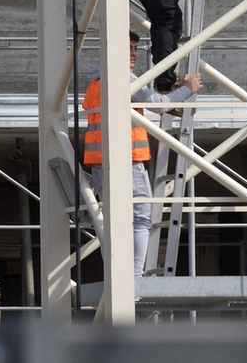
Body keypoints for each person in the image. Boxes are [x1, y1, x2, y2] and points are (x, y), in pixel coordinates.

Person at [82, 30, 203, 277]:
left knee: (112, 223)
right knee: (141, 218)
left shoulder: (96, 82)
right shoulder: (121, 78)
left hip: (101, 164)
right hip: (127, 160)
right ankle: (134, 278)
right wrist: (187, 89)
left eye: (136, 48)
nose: (135, 53)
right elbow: (159, 105)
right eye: (129, 48)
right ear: (113, 51)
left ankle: (117, 276)